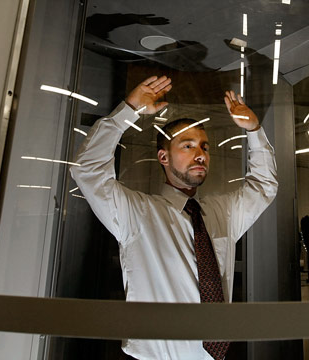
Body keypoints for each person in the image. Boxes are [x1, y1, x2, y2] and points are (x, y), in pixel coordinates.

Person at [70, 75, 278, 360]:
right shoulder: (137, 214)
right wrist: (128, 110)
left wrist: (254, 130)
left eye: (204, 147)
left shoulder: (220, 214)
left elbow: (264, 186)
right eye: (187, 145)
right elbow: (88, 170)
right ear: (163, 157)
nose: (201, 154)